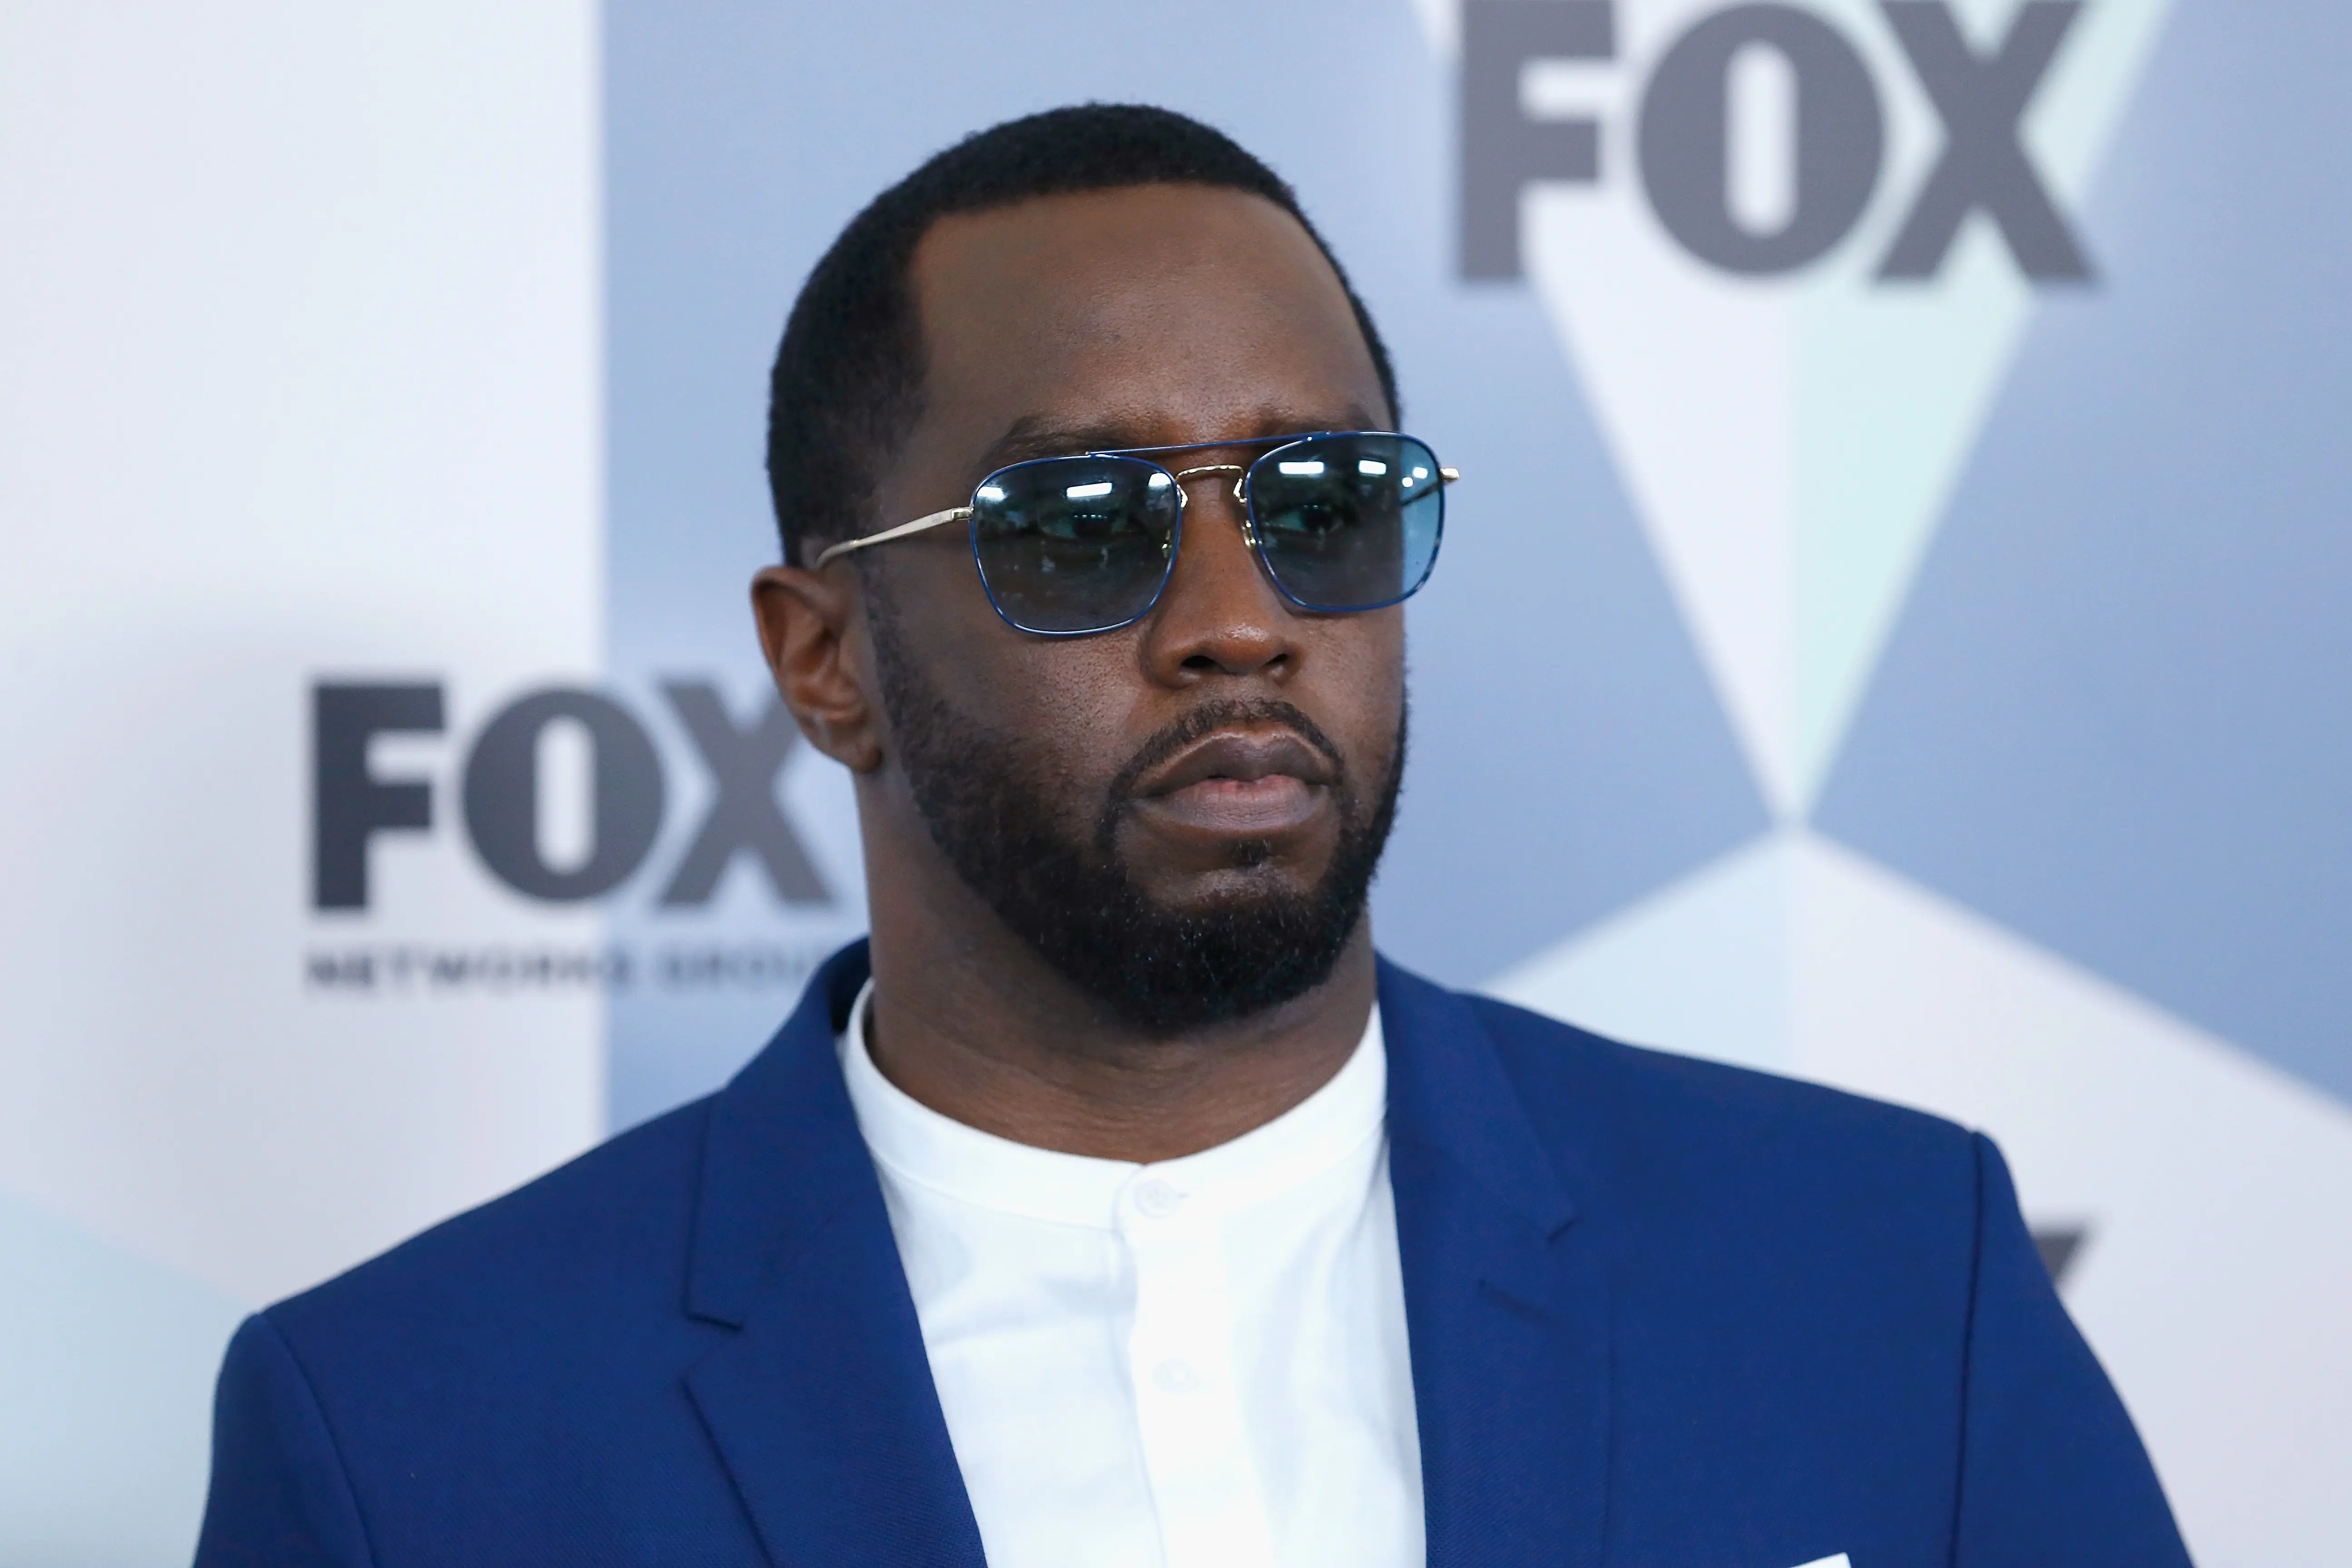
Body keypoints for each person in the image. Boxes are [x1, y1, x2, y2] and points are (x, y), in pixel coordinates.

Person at [196, 104, 2190, 1568]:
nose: (1240, 617)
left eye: (1320, 502)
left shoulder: (1875, 1275)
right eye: (1082, 530)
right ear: (826, 663)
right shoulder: (406, 1437)